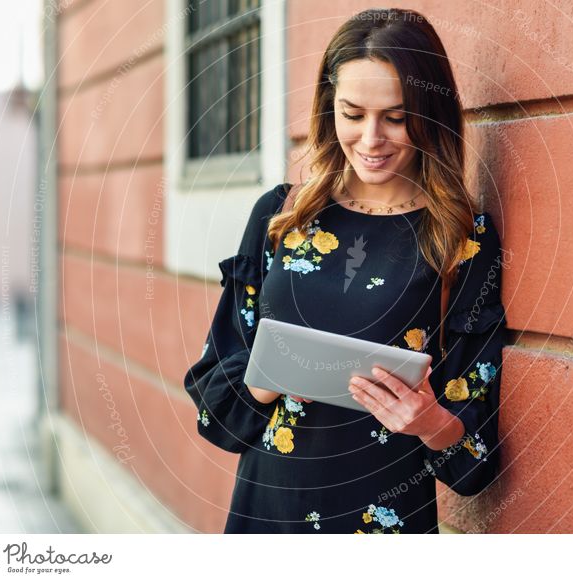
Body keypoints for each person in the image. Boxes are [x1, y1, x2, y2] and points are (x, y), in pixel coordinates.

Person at [184, 7, 507, 534]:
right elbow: (212, 402)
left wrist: (429, 422)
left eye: (396, 117)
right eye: (352, 114)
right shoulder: (281, 217)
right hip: (266, 518)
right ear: (327, 109)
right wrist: (269, 382)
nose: (371, 138)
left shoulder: (463, 239)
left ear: (431, 114)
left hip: (383, 522)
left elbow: (476, 456)